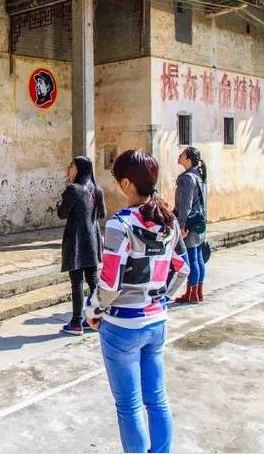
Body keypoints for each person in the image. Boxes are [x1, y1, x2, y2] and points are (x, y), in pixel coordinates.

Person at [85, 149, 189, 453]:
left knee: (129, 406)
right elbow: (184, 269)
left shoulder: (120, 224)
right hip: (157, 322)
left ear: (128, 183)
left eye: (119, 180)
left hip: (122, 326)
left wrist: (93, 310)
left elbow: (110, 282)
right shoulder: (168, 222)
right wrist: (161, 298)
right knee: (157, 399)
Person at [57, 156, 106, 335]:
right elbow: (102, 213)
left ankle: (76, 322)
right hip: (92, 239)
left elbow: (62, 214)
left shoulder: (73, 189)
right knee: (92, 280)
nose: (68, 168)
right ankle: (95, 317)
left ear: (80, 169)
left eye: (72, 166)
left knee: (77, 283)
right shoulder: (97, 190)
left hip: (76, 240)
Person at [174, 146, 207, 304]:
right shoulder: (199, 175)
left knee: (193, 258)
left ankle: (192, 293)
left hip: (189, 223)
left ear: (188, 160)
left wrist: (181, 226)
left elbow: (185, 205)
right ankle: (198, 292)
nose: (179, 156)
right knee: (198, 257)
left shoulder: (187, 178)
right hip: (199, 221)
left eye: (182, 155)